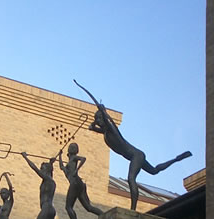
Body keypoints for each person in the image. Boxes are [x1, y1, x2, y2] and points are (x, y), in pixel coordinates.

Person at [75, 79, 192, 211]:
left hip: (136, 155)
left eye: (99, 119)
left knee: (131, 179)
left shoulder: (112, 129)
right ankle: (177, 159)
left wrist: (104, 112)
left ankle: (133, 209)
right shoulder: (106, 132)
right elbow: (96, 128)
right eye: (97, 120)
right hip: (135, 155)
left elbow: (108, 123)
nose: (98, 121)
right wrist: (94, 124)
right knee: (154, 171)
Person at [58, 142, 103, 219]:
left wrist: (77, 170)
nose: (71, 148)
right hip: (79, 184)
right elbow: (61, 167)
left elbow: (83, 159)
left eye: (72, 147)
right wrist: (59, 156)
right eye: (71, 147)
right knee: (88, 207)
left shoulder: (74, 158)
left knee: (68, 207)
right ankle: (102, 214)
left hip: (75, 183)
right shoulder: (68, 165)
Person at [21, 152, 57, 219]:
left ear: (46, 170)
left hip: (46, 208)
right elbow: (50, 172)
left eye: (43, 168)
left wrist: (25, 158)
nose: (41, 170)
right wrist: (51, 163)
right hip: (50, 209)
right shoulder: (51, 181)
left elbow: (35, 169)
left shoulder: (47, 179)